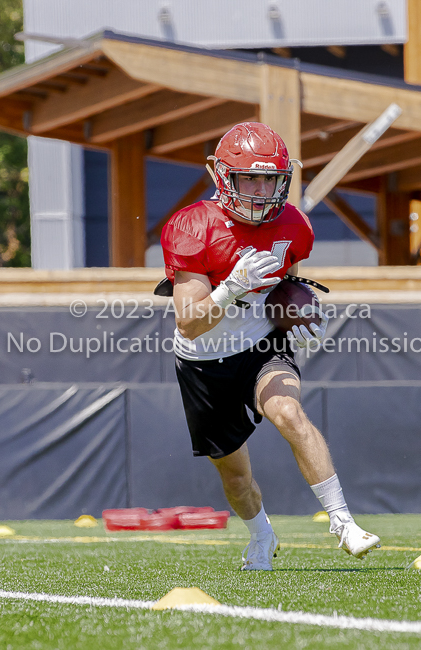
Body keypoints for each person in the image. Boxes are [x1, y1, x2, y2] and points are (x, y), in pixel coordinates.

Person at [160, 122, 380, 570]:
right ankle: (262, 536)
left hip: (262, 342)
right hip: (203, 361)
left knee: (289, 413)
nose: (261, 191)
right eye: (250, 178)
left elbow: (288, 279)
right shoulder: (192, 226)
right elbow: (190, 322)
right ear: (221, 176)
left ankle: (343, 522)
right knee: (236, 477)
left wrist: (296, 308)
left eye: (270, 179)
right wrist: (230, 289)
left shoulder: (293, 225)